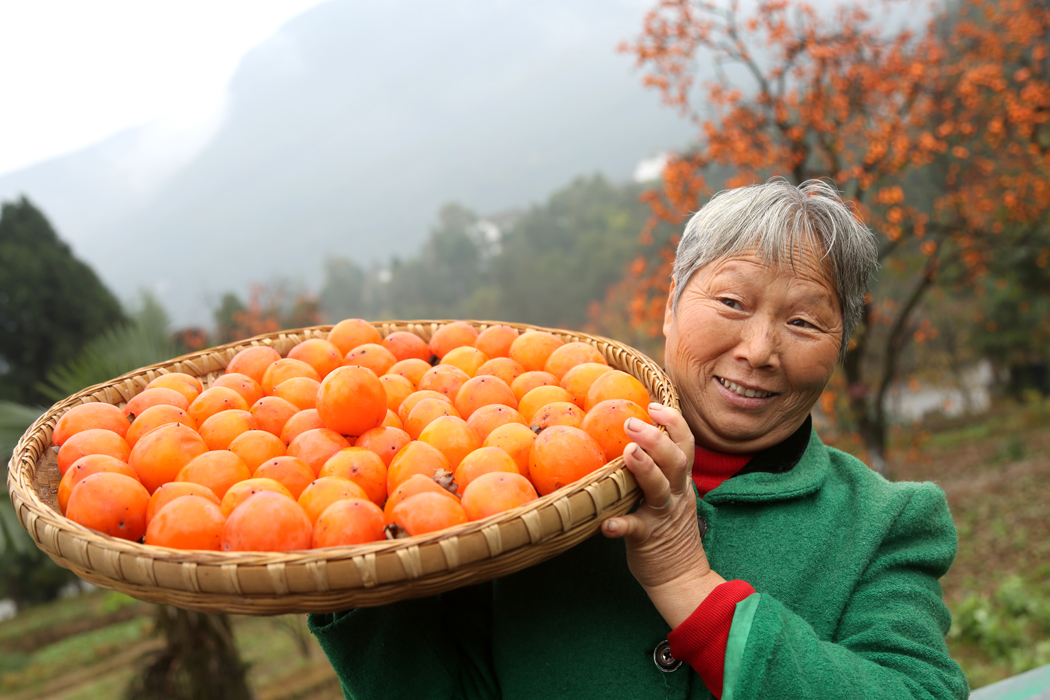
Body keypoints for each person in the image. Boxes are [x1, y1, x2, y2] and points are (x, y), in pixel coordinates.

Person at [308, 179, 969, 700]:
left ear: (841, 345)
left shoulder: (885, 524)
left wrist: (690, 582)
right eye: (732, 304)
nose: (761, 350)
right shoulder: (524, 489)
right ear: (670, 305)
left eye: (804, 321)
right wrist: (358, 587)